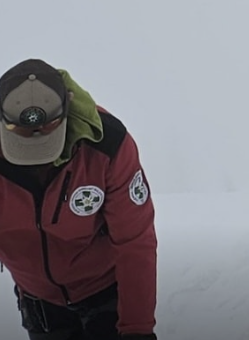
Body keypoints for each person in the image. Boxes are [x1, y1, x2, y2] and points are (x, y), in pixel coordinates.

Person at [0, 59, 157, 340]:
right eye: (23, 145)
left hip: (107, 294)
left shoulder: (109, 144)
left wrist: (137, 329)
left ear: (67, 111)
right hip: (40, 303)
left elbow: (135, 241)